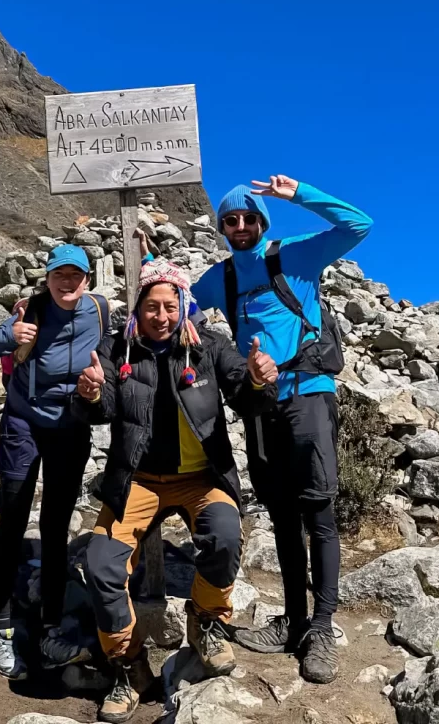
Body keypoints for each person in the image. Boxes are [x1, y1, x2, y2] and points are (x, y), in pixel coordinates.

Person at [73, 259, 279, 723]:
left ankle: (206, 619)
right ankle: (129, 666)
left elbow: (245, 398)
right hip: (137, 479)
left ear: (184, 306)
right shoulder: (117, 348)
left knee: (224, 535)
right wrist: (89, 393)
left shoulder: (209, 346)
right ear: (139, 308)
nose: (161, 316)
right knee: (102, 565)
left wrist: (258, 380)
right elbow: (102, 408)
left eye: (170, 306)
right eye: (152, 306)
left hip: (202, 478)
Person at [189, 174, 373, 684]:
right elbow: (180, 303)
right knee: (282, 514)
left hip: (308, 393)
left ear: (263, 222)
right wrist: (149, 263)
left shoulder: (296, 255)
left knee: (319, 512)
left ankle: (322, 628)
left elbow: (359, 225)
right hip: (260, 403)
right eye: (231, 219)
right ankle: (293, 621)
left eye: (249, 218)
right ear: (222, 227)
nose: (240, 225)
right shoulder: (221, 277)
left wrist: (300, 194)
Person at [0, 243, 111, 680]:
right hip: (23, 424)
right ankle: (0, 626)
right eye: (59, 275)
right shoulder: (30, 313)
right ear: (47, 278)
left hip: (71, 426)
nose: (67, 282)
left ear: (87, 280)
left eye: (75, 275)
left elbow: (138, 331)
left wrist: (189, 321)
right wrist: (8, 337)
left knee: (56, 525)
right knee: (13, 518)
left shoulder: (99, 311)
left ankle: (50, 626)